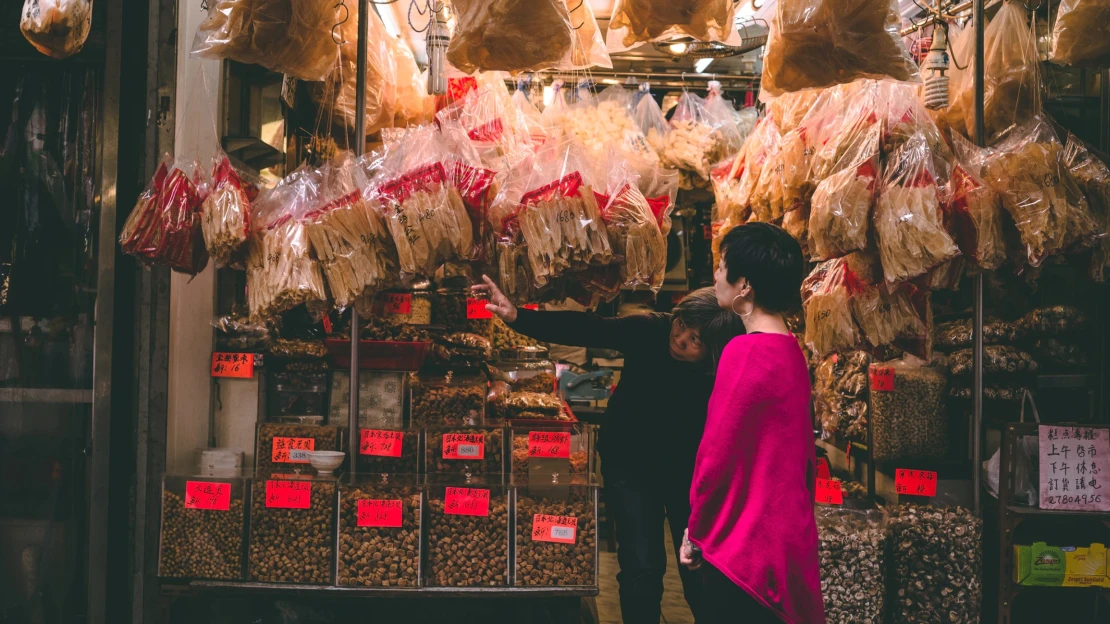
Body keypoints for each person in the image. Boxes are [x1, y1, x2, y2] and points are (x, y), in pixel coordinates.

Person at [473, 276, 745, 624]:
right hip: (630, 466)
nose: (679, 340)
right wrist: (518, 317)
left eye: (694, 341)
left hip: (689, 476)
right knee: (641, 567)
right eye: (681, 326)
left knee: (698, 569)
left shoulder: (725, 366)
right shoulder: (651, 329)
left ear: (712, 350)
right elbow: (591, 329)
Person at [680, 223, 825, 623]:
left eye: (721, 265)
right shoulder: (790, 350)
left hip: (747, 552)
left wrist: (695, 529)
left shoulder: (744, 353)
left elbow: (716, 456)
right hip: (784, 542)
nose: (715, 275)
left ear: (744, 284)